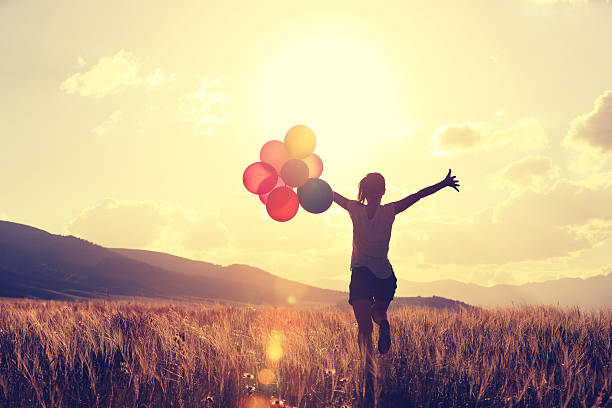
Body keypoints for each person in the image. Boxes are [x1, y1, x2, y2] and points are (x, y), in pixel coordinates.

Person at [332, 169, 460, 357]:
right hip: (384, 276)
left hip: (361, 273)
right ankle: (383, 323)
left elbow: (332, 195)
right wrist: (443, 183)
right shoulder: (389, 211)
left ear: (364, 192)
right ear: (383, 191)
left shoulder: (355, 209)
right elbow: (417, 196)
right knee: (378, 314)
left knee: (364, 328)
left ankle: (368, 368)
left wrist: (306, 179)